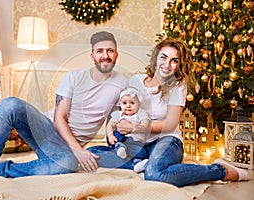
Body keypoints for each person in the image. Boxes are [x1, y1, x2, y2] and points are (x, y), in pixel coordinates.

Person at [0, 31, 127, 178]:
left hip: (63, 152)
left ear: (117, 55)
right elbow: (59, 119)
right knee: (10, 105)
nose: (105, 55)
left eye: (110, 50)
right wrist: (77, 150)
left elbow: (114, 118)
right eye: (100, 51)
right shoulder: (74, 78)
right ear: (92, 56)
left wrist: (115, 143)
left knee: (67, 164)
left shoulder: (122, 83)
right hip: (46, 131)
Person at [87, 38, 249, 187]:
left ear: (179, 65)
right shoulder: (135, 81)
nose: (167, 64)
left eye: (174, 61)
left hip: (166, 140)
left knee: (155, 175)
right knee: (91, 155)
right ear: (156, 57)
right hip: (139, 144)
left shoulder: (177, 86)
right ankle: (142, 161)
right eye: (163, 57)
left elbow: (171, 124)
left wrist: (134, 128)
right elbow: (120, 109)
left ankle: (219, 170)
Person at [106, 87, 150, 171]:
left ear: (139, 104)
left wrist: (137, 127)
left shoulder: (140, 113)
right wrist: (110, 135)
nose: (128, 106)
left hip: (135, 142)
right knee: (116, 133)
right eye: (124, 103)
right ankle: (120, 147)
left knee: (141, 151)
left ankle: (136, 164)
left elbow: (145, 123)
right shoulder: (118, 114)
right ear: (120, 104)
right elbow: (110, 125)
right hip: (121, 140)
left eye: (132, 103)